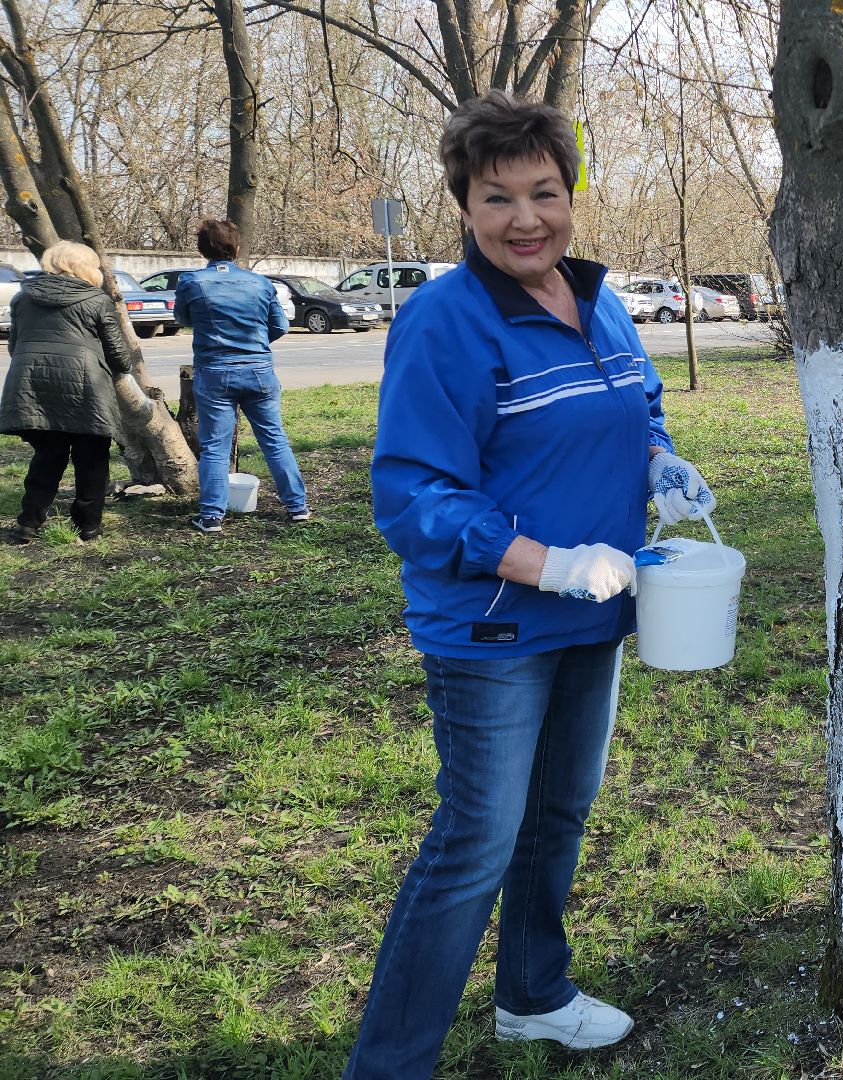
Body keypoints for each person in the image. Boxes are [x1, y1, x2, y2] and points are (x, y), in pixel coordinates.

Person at [345, 90, 716, 1080]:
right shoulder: (443, 321)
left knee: (557, 819)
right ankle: (389, 1066)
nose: (524, 219)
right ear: (463, 206)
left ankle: (532, 995)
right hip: (497, 627)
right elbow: (411, 493)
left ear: (571, 195)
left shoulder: (597, 302)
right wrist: (543, 562)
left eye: (543, 193)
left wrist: (659, 466)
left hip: (593, 615)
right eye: (495, 197)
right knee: (474, 844)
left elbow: (638, 409)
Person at [175, 218, 308, 531]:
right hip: (259, 371)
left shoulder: (191, 282)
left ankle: (211, 517)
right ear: (236, 247)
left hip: (214, 372)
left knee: (215, 448)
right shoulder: (260, 283)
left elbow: (182, 318)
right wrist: (255, 345)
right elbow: (280, 326)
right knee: (275, 441)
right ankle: (297, 506)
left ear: (202, 249)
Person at [0, 241, 133, 543]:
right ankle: (88, 526)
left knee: (48, 453)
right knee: (92, 457)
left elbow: (14, 345)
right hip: (85, 388)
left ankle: (29, 523)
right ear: (85, 267)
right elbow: (120, 357)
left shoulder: (23, 298)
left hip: (32, 385)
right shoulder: (97, 300)